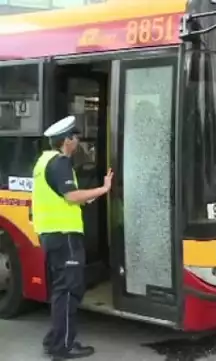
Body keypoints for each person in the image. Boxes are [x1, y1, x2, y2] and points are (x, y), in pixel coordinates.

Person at [33, 115, 113, 360]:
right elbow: (70, 196)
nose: (77, 141)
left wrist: (88, 196)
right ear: (65, 140)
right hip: (64, 236)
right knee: (68, 290)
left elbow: (64, 196)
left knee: (61, 290)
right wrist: (103, 189)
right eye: (74, 137)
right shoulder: (60, 163)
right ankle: (63, 346)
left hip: (52, 235)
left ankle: (55, 340)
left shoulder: (43, 162)